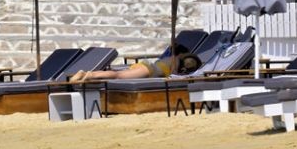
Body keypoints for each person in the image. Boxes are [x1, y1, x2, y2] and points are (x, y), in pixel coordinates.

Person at [67, 52, 203, 84]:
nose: (189, 65)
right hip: (148, 70)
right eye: (191, 63)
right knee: (117, 76)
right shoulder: (175, 62)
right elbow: (173, 74)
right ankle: (90, 75)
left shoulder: (171, 59)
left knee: (118, 74)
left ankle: (87, 74)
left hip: (145, 67)